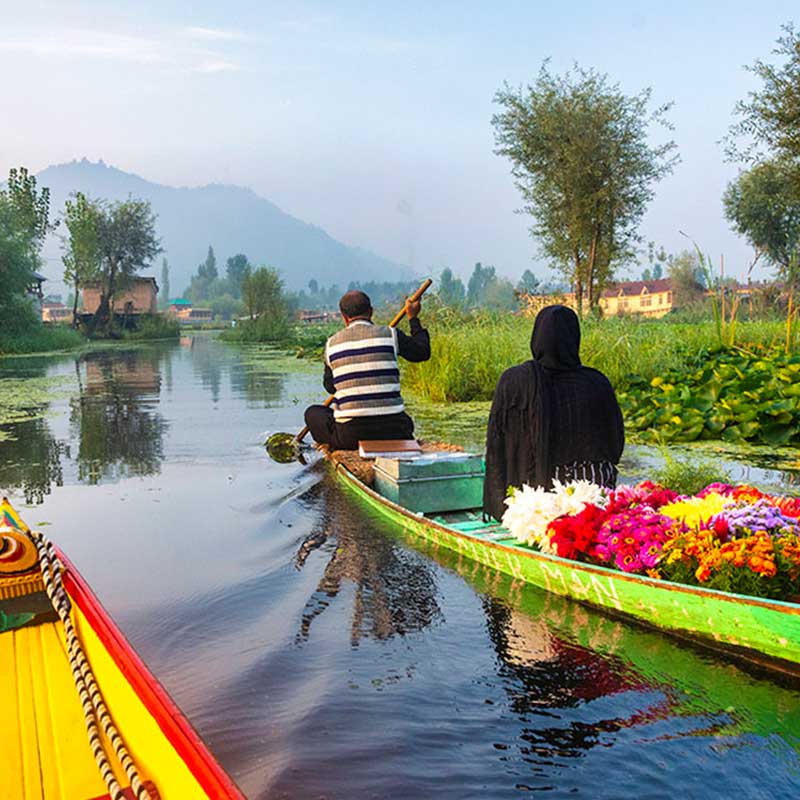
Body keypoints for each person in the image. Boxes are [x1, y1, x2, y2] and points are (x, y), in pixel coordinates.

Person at [483, 304, 624, 521]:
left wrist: (499, 503)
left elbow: (496, 446)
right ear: (575, 338)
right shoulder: (597, 382)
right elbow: (615, 445)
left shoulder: (514, 380)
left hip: (536, 503)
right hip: (594, 497)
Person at [304, 289, 430, 450]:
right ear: (371, 312)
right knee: (400, 418)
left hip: (351, 436)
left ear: (344, 317)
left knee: (313, 413)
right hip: (396, 431)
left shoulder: (331, 345)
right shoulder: (391, 335)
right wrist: (413, 318)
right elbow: (422, 352)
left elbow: (331, 387)